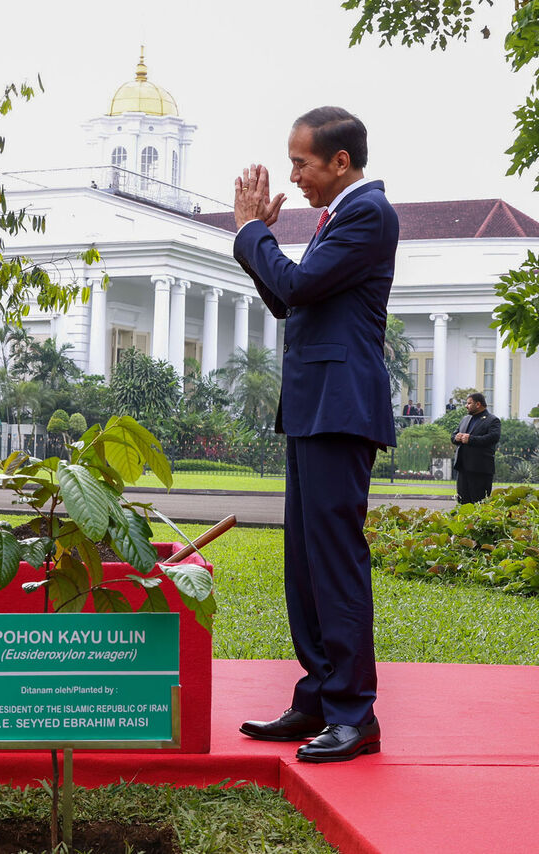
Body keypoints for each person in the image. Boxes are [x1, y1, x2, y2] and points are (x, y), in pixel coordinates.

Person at [231, 106, 398, 763]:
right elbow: (291, 295)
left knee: (333, 564)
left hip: (341, 407)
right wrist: (257, 243)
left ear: (340, 162)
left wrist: (250, 234)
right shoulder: (338, 219)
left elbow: (296, 285)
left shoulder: (367, 213)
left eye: (302, 162)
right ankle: (317, 700)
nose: (294, 174)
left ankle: (355, 714)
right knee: (303, 565)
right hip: (314, 406)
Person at [451, 392, 501, 503]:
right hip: (463, 469)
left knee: (479, 504)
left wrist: (471, 439)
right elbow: (453, 435)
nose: (466, 406)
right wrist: (456, 437)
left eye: (469, 403)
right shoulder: (465, 419)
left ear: (478, 404)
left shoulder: (492, 420)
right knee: (463, 504)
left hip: (480, 470)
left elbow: (493, 438)